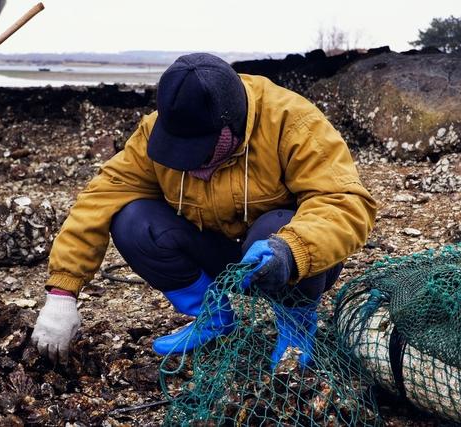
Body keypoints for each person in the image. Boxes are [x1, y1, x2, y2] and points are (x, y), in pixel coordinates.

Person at [31, 53, 377, 367]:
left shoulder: (291, 121)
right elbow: (101, 196)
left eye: (197, 151)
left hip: (284, 261)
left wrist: (291, 250)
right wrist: (63, 291)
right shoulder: (156, 130)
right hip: (215, 250)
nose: (187, 164)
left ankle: (296, 326)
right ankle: (211, 317)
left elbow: (346, 203)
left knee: (278, 224)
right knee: (132, 220)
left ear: (230, 130)